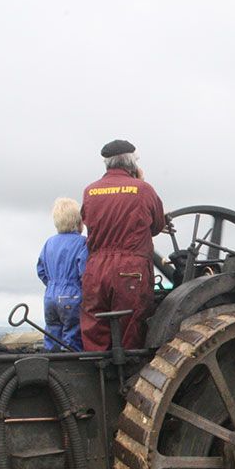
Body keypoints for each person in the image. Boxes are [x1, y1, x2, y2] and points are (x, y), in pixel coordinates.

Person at [80, 139, 171, 350]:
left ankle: (97, 373)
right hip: (130, 269)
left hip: (96, 269)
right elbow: (157, 225)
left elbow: (88, 221)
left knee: (95, 326)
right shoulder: (143, 189)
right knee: (131, 329)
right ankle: (130, 377)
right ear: (132, 163)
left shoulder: (90, 191)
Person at [37, 197, 88, 351]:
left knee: (52, 334)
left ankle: (51, 365)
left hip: (50, 296)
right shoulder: (83, 243)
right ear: (79, 222)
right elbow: (84, 271)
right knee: (72, 338)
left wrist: (53, 284)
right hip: (72, 295)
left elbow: (41, 270)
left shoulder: (49, 243)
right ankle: (71, 370)